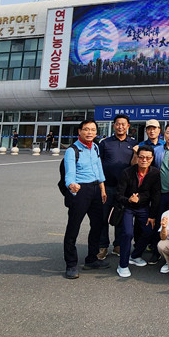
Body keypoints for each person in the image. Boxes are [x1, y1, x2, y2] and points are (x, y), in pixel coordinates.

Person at [61, 119, 108, 279]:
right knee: (73, 227)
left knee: (97, 225)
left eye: (93, 130)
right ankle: (71, 264)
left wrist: (102, 188)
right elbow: (69, 172)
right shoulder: (72, 150)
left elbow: (98, 167)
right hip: (80, 190)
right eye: (86, 129)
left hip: (95, 189)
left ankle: (92, 259)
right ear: (79, 131)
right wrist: (71, 185)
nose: (90, 132)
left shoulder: (95, 146)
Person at [114, 146, 161, 277]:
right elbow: (118, 195)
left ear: (152, 159)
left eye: (148, 158)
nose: (144, 160)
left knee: (149, 231)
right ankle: (122, 265)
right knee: (128, 233)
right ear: (137, 157)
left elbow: (156, 195)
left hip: (143, 207)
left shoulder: (155, 173)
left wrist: (152, 215)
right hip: (127, 207)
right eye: (141, 157)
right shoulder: (127, 172)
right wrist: (129, 199)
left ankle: (135, 255)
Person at [97, 114, 137, 260]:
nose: (120, 126)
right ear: (114, 125)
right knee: (102, 218)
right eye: (118, 124)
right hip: (107, 186)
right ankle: (102, 246)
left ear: (128, 126)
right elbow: (98, 164)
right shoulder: (105, 143)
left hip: (124, 189)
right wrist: (101, 186)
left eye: (123, 124)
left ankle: (118, 245)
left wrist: (136, 153)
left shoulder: (133, 143)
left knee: (121, 217)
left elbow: (135, 165)